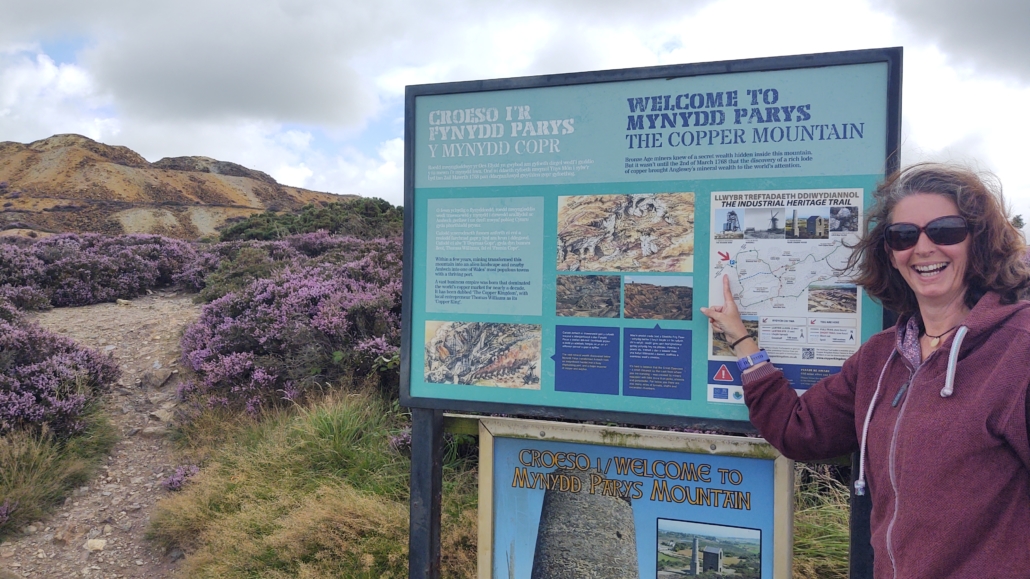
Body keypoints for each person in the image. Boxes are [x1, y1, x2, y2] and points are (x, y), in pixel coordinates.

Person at [701, 164, 1030, 579]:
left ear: (978, 240)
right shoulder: (881, 357)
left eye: (945, 231)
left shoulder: (1018, 350)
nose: (923, 248)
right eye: (904, 236)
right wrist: (740, 338)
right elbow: (798, 430)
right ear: (890, 253)